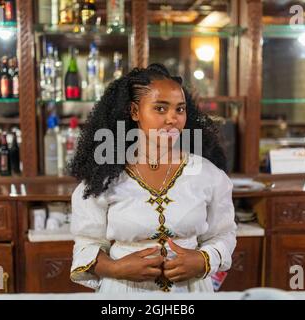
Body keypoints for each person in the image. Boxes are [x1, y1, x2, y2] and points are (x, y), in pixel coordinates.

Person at [68, 63, 236, 292]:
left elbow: (224, 234)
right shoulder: (103, 178)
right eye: (160, 108)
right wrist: (115, 268)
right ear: (135, 111)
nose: (172, 119)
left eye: (180, 109)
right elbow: (87, 244)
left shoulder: (208, 175)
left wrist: (204, 260)